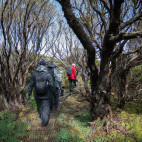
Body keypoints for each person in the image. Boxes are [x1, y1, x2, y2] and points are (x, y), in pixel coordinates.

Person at [28, 60, 54, 126]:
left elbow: (31, 84)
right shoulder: (48, 73)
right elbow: (52, 84)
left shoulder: (34, 73)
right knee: (45, 108)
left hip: (37, 94)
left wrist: (29, 92)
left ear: (39, 65)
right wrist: (53, 93)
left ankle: (41, 117)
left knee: (39, 107)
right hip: (46, 95)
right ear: (45, 65)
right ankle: (44, 122)